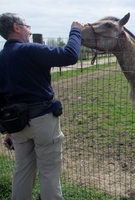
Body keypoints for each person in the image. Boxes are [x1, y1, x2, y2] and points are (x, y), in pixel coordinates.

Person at [0, 12, 83, 200]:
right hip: (43, 121)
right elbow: (70, 55)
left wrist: (8, 131)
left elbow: (1, 97)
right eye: (28, 27)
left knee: (22, 170)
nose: (29, 32)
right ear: (16, 27)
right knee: (49, 173)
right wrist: (75, 31)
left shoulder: (2, 57)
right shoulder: (30, 50)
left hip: (17, 125)